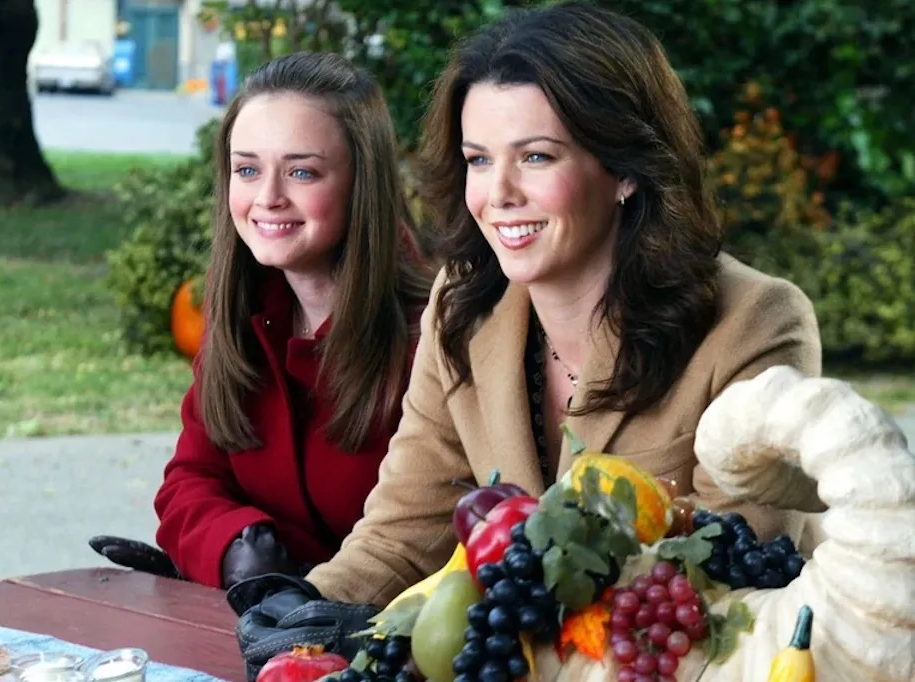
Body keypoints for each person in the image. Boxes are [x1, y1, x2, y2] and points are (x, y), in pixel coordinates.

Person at [231, 1, 827, 670]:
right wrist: (307, 610)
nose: (498, 192)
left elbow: (724, 592)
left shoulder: (755, 322)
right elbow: (405, 529)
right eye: (478, 160)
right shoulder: (463, 306)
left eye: (536, 156)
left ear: (626, 169)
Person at [87, 51, 435, 592]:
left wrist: (292, 583)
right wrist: (235, 547)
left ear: (360, 183)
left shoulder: (432, 332)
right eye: (247, 170)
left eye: (301, 171)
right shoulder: (244, 314)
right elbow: (190, 481)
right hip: (257, 636)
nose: (268, 198)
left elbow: (425, 537)